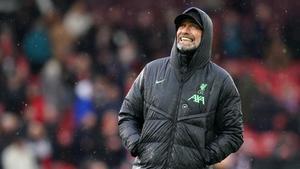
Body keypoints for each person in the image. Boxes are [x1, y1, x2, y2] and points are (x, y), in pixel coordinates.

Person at [118, 7, 243, 169]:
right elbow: (127, 116)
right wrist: (136, 145)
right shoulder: (151, 71)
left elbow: (234, 133)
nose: (185, 31)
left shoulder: (221, 80)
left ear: (206, 35)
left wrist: (205, 157)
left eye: (193, 26)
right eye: (182, 26)